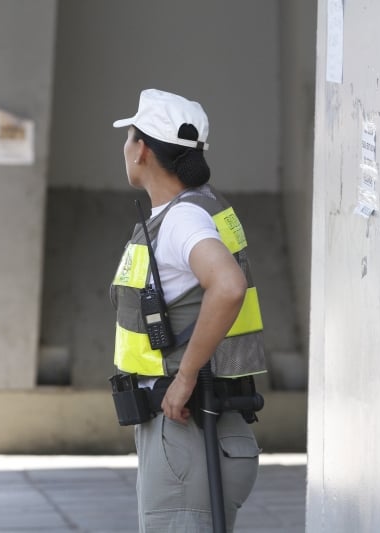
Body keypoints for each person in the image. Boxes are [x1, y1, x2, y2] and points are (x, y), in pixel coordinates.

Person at [109, 89, 268, 532]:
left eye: (129, 137)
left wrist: (185, 377)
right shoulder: (202, 208)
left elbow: (228, 286)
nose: (125, 147)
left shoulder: (182, 220)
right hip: (214, 431)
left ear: (141, 150)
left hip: (185, 436)